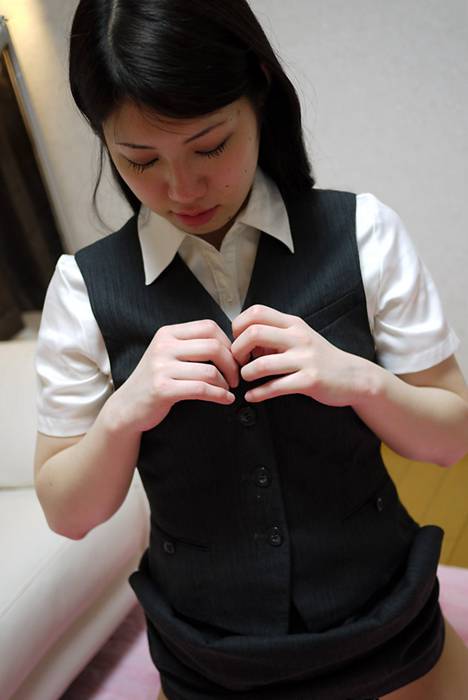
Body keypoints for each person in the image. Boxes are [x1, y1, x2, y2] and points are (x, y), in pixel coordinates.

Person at [33, 1, 468, 698]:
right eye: (140, 159)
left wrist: (359, 381)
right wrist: (124, 413)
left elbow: (451, 441)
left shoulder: (364, 233)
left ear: (259, 91)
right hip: (210, 650)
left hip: (385, 616)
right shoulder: (84, 290)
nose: (181, 189)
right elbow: (68, 512)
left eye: (210, 146)